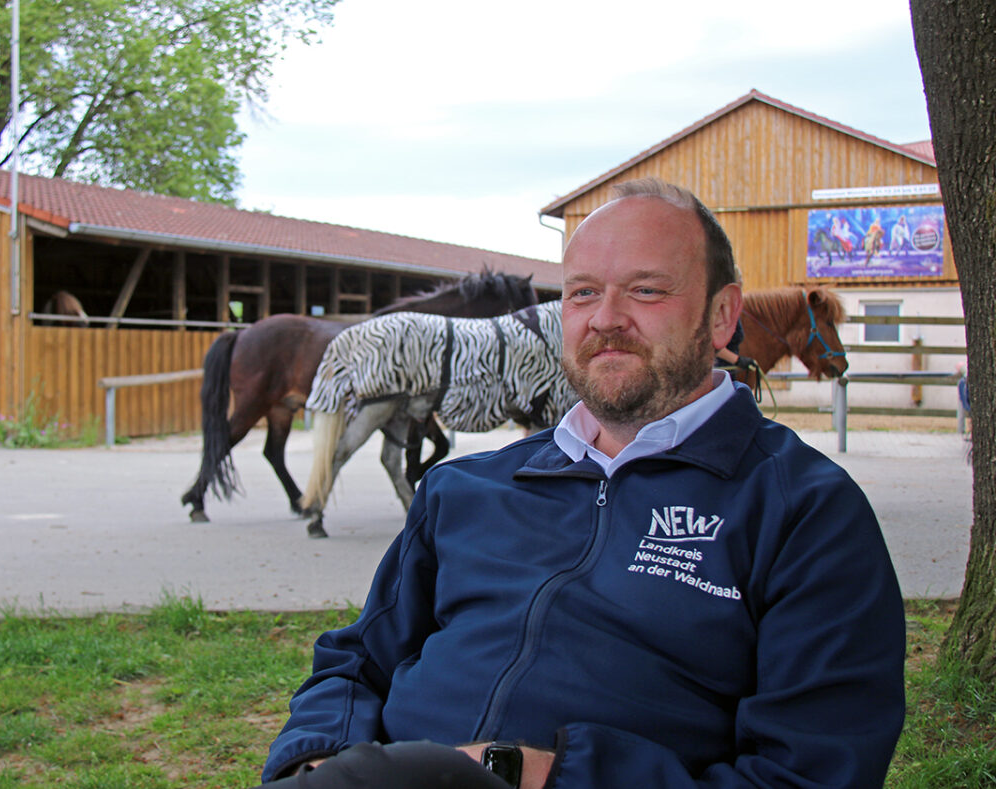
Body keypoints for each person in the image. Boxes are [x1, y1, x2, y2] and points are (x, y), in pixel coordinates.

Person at [257, 179, 905, 789]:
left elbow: (813, 771)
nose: (606, 318)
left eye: (647, 291)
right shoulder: (467, 487)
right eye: (583, 292)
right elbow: (354, 661)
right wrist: (314, 758)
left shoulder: (805, 512)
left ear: (722, 316)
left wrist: (540, 774)